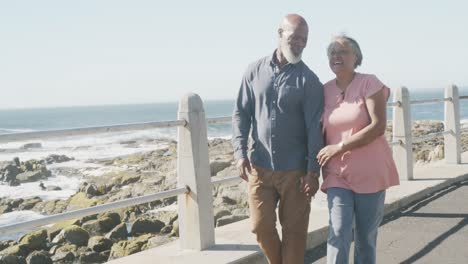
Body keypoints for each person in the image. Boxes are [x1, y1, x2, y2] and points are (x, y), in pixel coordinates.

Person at [232, 14, 324, 264]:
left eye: (304, 40)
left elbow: (315, 130)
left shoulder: (310, 81)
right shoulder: (254, 71)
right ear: (280, 33)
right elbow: (241, 113)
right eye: (295, 37)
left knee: (294, 234)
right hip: (259, 167)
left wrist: (313, 172)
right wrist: (239, 153)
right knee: (260, 227)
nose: (300, 44)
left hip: (295, 172)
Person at [316, 34, 400, 264]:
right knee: (339, 231)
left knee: (365, 237)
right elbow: (312, 129)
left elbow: (378, 126)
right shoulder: (321, 90)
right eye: (332, 52)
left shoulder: (369, 83)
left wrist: (339, 147)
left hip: (370, 173)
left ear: (356, 57)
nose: (336, 56)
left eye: (342, 51)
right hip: (336, 175)